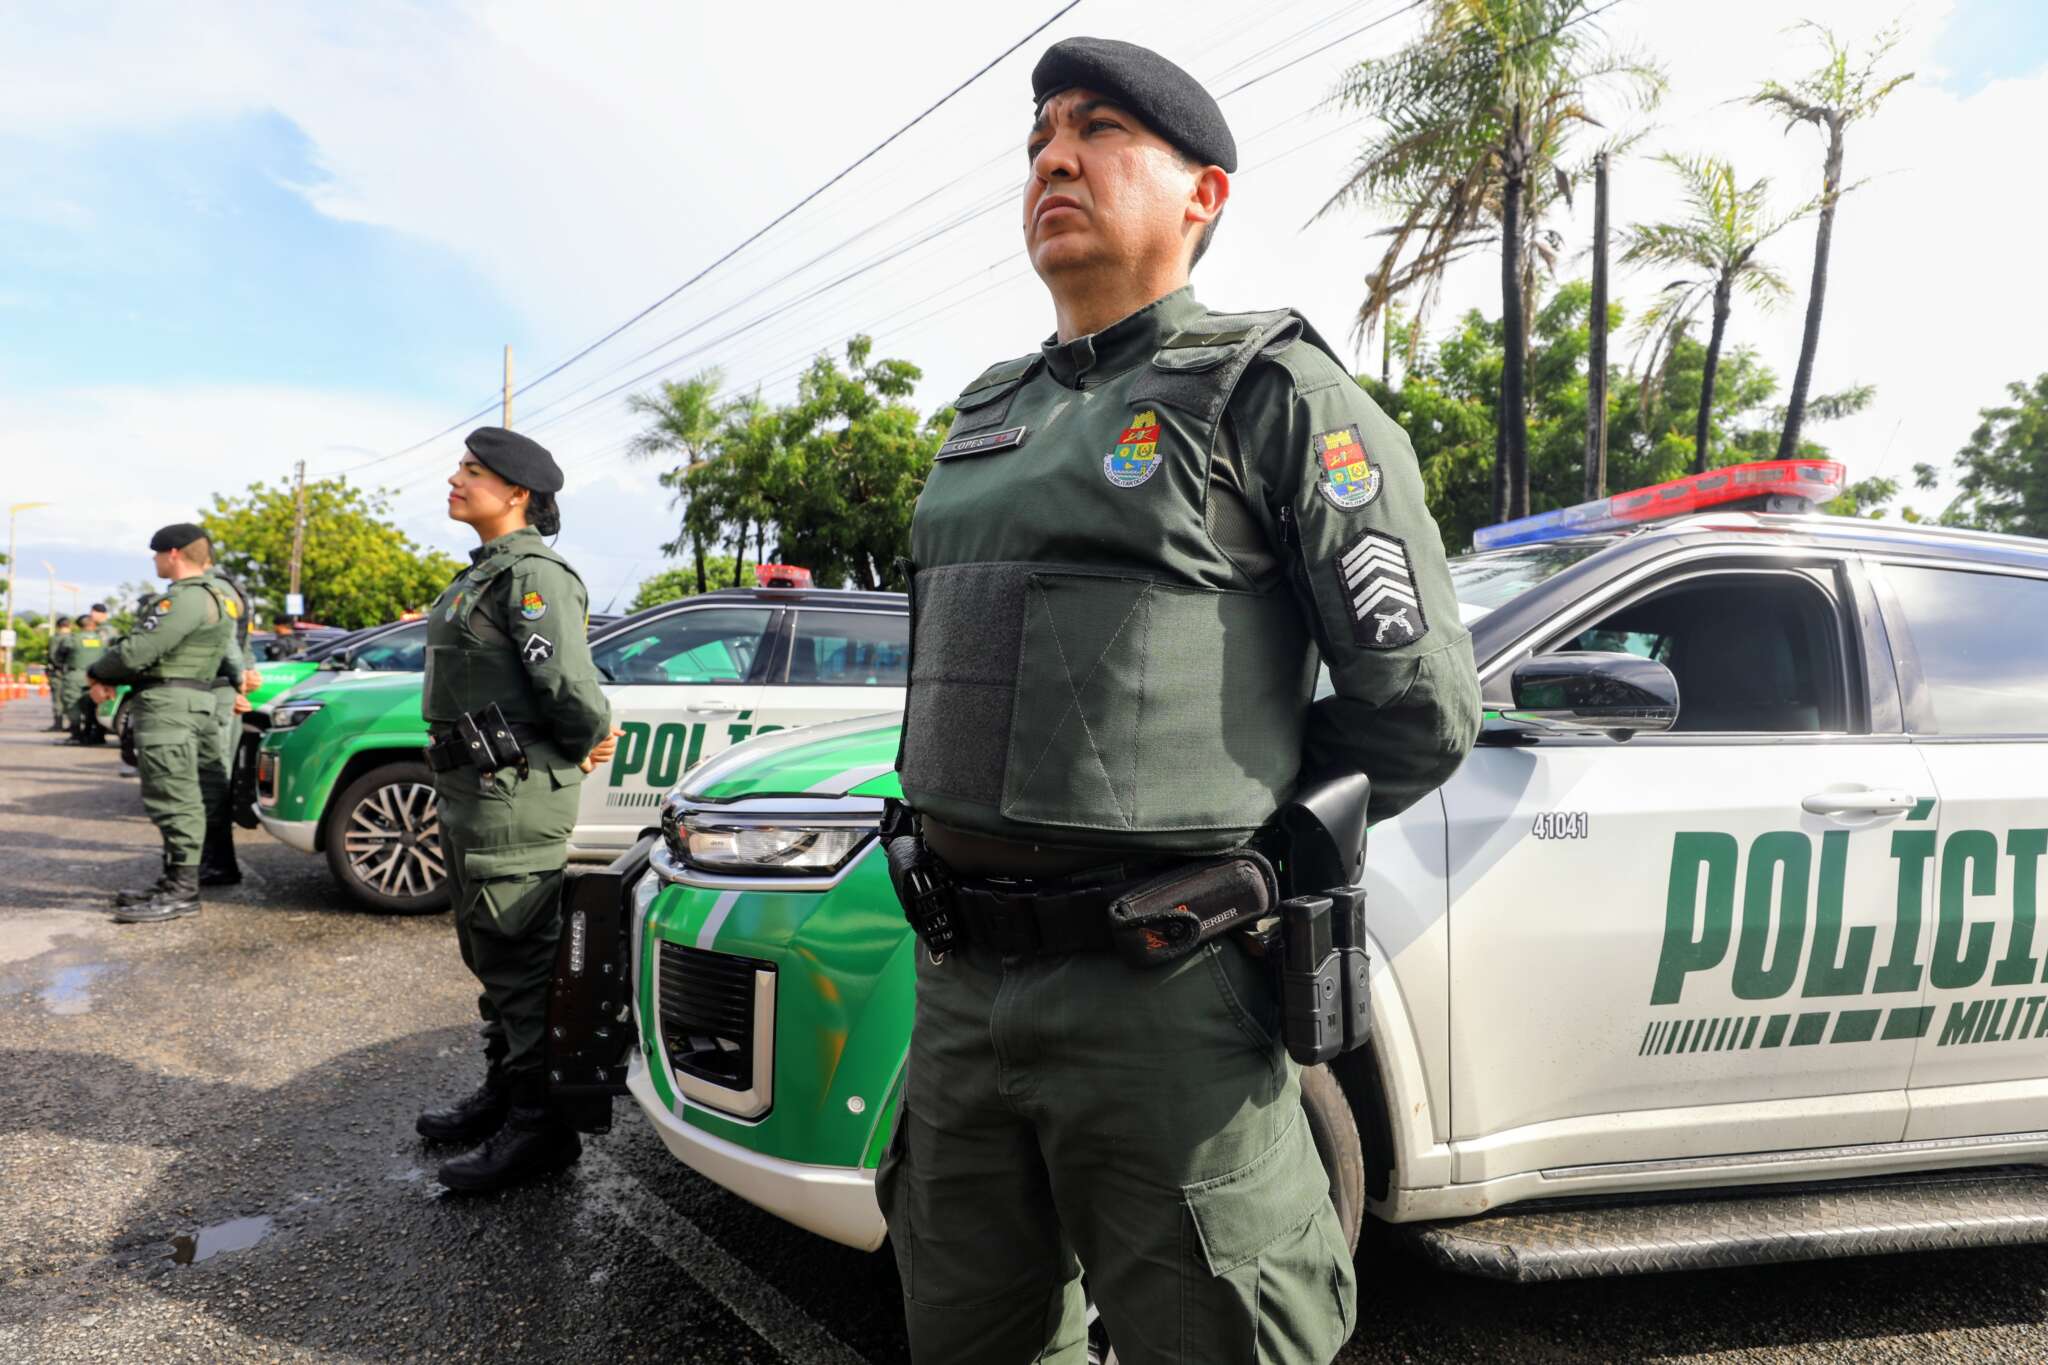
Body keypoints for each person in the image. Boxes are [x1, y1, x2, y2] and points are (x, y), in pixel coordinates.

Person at [879, 38, 1481, 1365]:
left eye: (1097, 130)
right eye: (1039, 138)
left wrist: (1247, 855)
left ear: (1203, 194)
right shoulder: (984, 415)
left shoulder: (1275, 394)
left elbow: (1417, 708)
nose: (1053, 157)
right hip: (961, 989)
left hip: (1162, 994)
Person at [416, 426, 619, 1193]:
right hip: (473, 787)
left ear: (516, 493)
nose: (456, 478)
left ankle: (541, 1127)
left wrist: (586, 740)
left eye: (473, 470)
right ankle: (507, 1091)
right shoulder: (484, 572)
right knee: (489, 949)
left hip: (512, 791)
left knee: (521, 954)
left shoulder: (533, 575)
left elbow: (569, 688)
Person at [87, 526, 237, 924]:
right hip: (198, 700)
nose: (154, 561)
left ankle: (181, 890)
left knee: (173, 795)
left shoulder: (183, 599)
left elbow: (139, 651)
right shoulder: (218, 596)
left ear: (173, 553)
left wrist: (97, 672)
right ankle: (207, 869)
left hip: (169, 706)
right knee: (205, 789)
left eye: (156, 554)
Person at [198, 565, 259, 886]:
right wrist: (242, 679)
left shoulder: (211, 589)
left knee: (211, 780)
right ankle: (215, 861)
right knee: (214, 778)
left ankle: (217, 863)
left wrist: (237, 682)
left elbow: (226, 640)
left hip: (213, 692)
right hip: (222, 692)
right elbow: (241, 644)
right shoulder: (230, 587)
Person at [61, 604, 114, 744]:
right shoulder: (101, 639)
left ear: (79, 625)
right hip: (95, 676)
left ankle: (76, 734)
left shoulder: (73, 639)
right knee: (93, 705)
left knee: (72, 704)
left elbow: (60, 655)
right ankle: (93, 733)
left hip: (75, 675)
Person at [46, 617, 74, 731]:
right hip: (73, 673)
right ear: (70, 626)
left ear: (58, 626)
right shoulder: (74, 638)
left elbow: (52, 656)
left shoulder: (55, 639)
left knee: (57, 698)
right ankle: (73, 724)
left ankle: (58, 724)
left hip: (58, 673)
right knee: (72, 698)